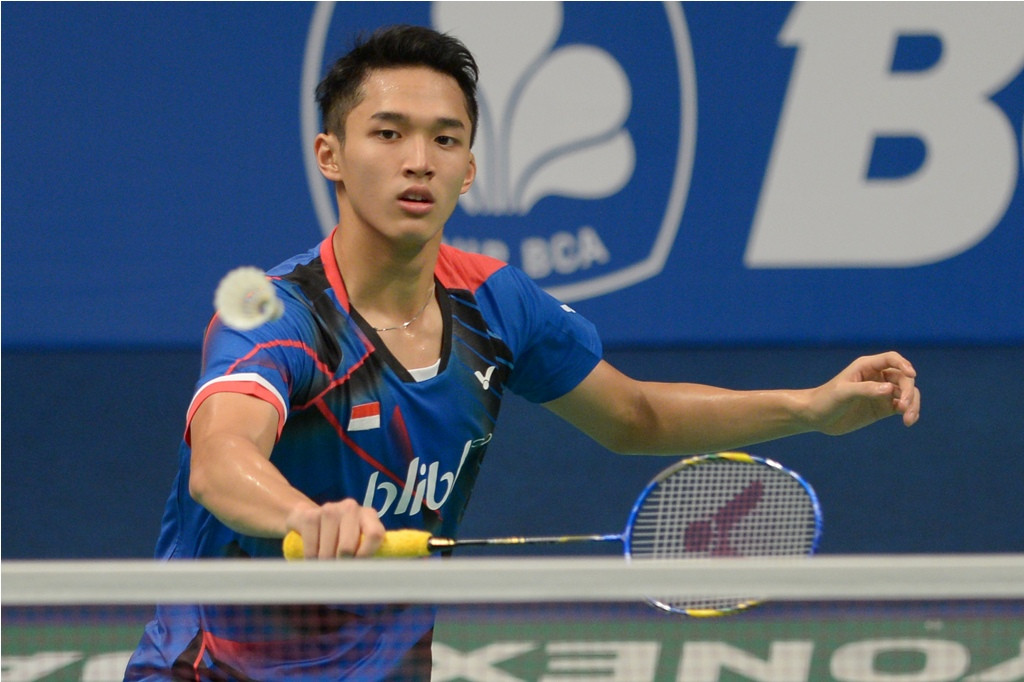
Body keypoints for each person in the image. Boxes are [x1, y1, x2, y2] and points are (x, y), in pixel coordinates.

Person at [124, 23, 920, 681]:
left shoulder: (495, 305)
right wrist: (304, 515)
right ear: (330, 154)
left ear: (469, 171)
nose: (418, 160)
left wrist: (811, 408)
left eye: (445, 139)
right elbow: (221, 455)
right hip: (216, 668)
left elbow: (632, 415)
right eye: (388, 133)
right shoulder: (281, 313)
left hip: (390, 664)